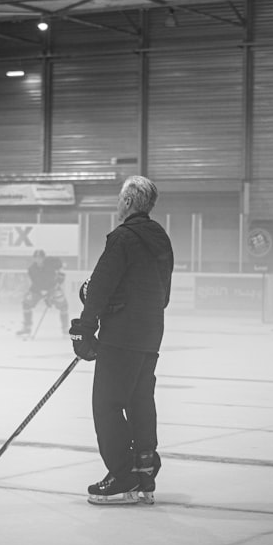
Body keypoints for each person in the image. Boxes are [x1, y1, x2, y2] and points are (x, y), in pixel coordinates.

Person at [70, 175, 174, 505]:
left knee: (107, 404)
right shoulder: (161, 239)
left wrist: (83, 331)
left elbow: (99, 287)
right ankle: (144, 470)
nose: (118, 204)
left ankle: (122, 476)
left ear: (128, 202)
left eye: (119, 199)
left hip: (122, 337)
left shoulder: (122, 238)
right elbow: (162, 294)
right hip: (150, 335)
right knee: (140, 400)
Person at [16, 249, 69, 337]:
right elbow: (35, 283)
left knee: (64, 306)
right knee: (26, 304)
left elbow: (62, 266)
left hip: (53, 287)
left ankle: (65, 329)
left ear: (44, 258)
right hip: (38, 289)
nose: (38, 260)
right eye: (36, 258)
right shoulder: (31, 269)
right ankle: (27, 328)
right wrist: (45, 297)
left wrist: (61, 276)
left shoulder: (51, 262)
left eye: (40, 258)